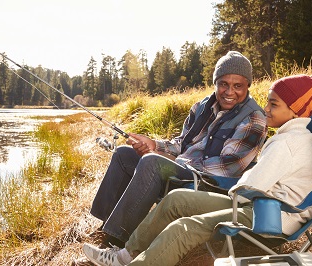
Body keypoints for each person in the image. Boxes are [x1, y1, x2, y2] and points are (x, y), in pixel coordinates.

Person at [82, 74, 312, 266]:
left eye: (274, 104)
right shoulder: (297, 136)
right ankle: (124, 255)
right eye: (268, 102)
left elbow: (251, 185)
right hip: (260, 205)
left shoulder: (287, 142)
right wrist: (157, 145)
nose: (267, 109)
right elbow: (184, 143)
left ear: (295, 109)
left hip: (271, 217)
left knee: (185, 227)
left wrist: (221, 191)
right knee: (176, 198)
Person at [89, 51, 267, 248]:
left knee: (152, 162)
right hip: (184, 169)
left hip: (211, 183)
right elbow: (181, 143)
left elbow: (228, 167)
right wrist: (154, 145)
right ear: (215, 82)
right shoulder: (201, 107)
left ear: (247, 86)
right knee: (123, 154)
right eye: (224, 84)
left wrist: (170, 161)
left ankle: (116, 243)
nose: (229, 92)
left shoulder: (254, 119)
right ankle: (106, 227)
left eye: (238, 86)